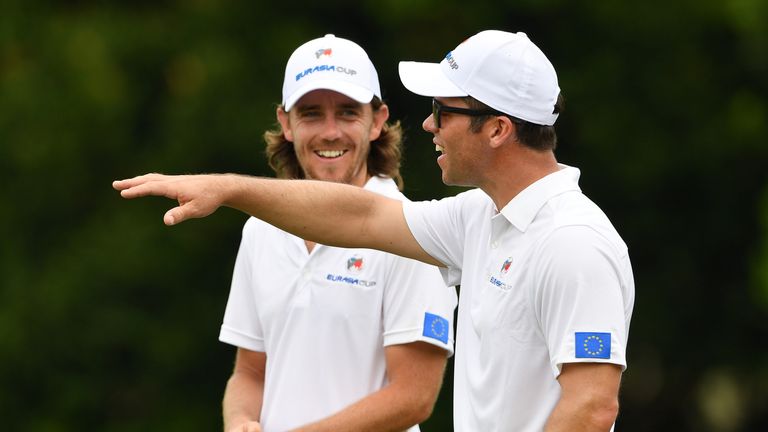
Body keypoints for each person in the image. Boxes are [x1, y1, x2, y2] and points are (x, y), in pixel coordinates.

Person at [115, 30, 634, 432]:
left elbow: (590, 408)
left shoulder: (573, 242)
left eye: (442, 111)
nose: (429, 125)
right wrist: (228, 189)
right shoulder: (479, 218)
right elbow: (361, 216)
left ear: (498, 129)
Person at [218, 34, 457, 432]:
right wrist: (240, 421)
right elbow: (250, 373)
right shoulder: (260, 229)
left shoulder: (412, 232)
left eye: (347, 113)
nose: (330, 132)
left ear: (378, 121)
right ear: (286, 123)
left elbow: (413, 397)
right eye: (311, 113)